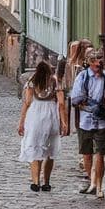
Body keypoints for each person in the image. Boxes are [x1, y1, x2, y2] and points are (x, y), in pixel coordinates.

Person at [69, 48, 105, 199]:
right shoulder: (82, 77)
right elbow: (75, 97)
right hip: (85, 120)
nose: (100, 64)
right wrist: (82, 101)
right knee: (86, 153)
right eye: (97, 61)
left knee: (100, 154)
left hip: (102, 121)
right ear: (90, 63)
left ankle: (98, 185)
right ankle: (92, 180)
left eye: (100, 61)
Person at [17, 60, 69, 192]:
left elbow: (27, 102)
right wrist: (64, 122)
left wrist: (21, 122)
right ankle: (46, 182)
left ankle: (35, 182)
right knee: (50, 152)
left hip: (35, 116)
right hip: (51, 116)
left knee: (35, 148)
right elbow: (62, 104)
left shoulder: (32, 81)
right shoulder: (55, 82)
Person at [58, 39, 93, 179]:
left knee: (84, 129)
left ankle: (86, 158)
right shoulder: (71, 65)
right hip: (74, 101)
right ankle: (84, 157)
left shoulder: (86, 66)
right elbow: (61, 80)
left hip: (82, 102)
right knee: (79, 128)